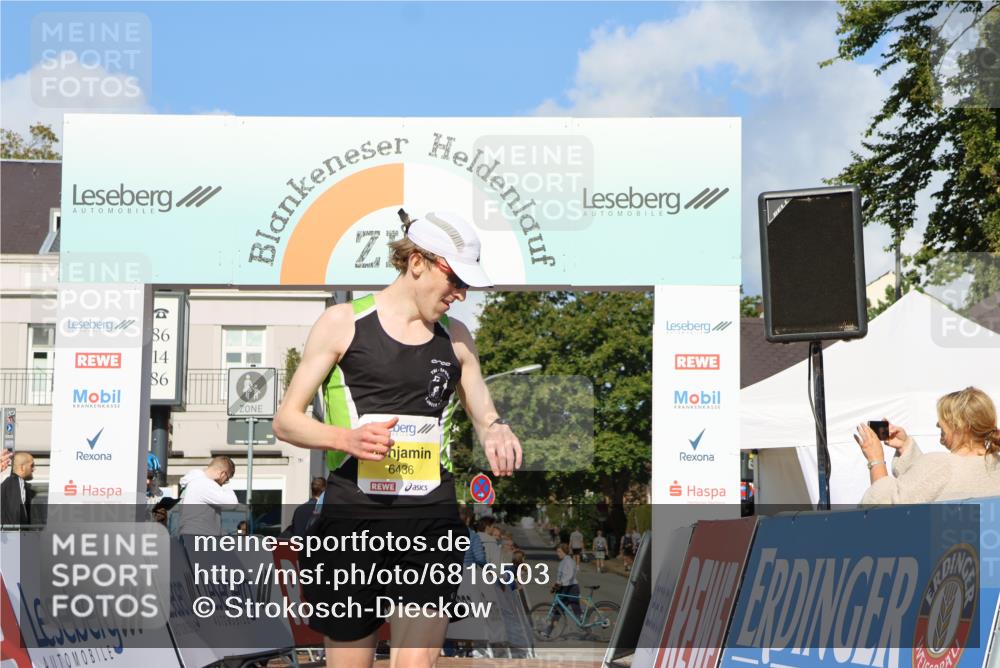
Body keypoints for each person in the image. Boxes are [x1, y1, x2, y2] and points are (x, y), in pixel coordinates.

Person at [273, 209, 522, 668]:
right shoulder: (342, 323)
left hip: (430, 519)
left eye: (467, 285)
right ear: (418, 263)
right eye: (455, 280)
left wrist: (496, 429)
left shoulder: (458, 338)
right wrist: (346, 439)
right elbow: (286, 421)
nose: (460, 294)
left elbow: (484, 414)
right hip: (352, 521)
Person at [856, 386, 1000, 504]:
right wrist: (905, 447)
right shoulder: (995, 464)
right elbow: (930, 485)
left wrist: (876, 460)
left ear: (960, 425)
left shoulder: (941, 465)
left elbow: (882, 505)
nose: (938, 424)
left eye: (943, 419)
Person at [177, 456, 244, 536]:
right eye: (226, 479)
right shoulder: (204, 483)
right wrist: (226, 488)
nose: (224, 483)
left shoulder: (193, 482)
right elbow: (232, 504)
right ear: (222, 474)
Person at [543, 543, 581, 638]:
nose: (557, 553)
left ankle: (589, 628)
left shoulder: (569, 561)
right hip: (564, 588)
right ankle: (548, 632)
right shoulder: (563, 561)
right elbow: (561, 576)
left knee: (577, 612)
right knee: (557, 610)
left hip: (571, 588)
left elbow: (570, 575)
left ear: (564, 551)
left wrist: (561, 583)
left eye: (559, 551)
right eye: (557, 552)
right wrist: (556, 585)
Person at [1, 453, 35, 529]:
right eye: (31, 465)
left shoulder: (20, 485)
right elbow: (15, 513)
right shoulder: (13, 484)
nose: (34, 469)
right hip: (13, 537)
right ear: (22, 467)